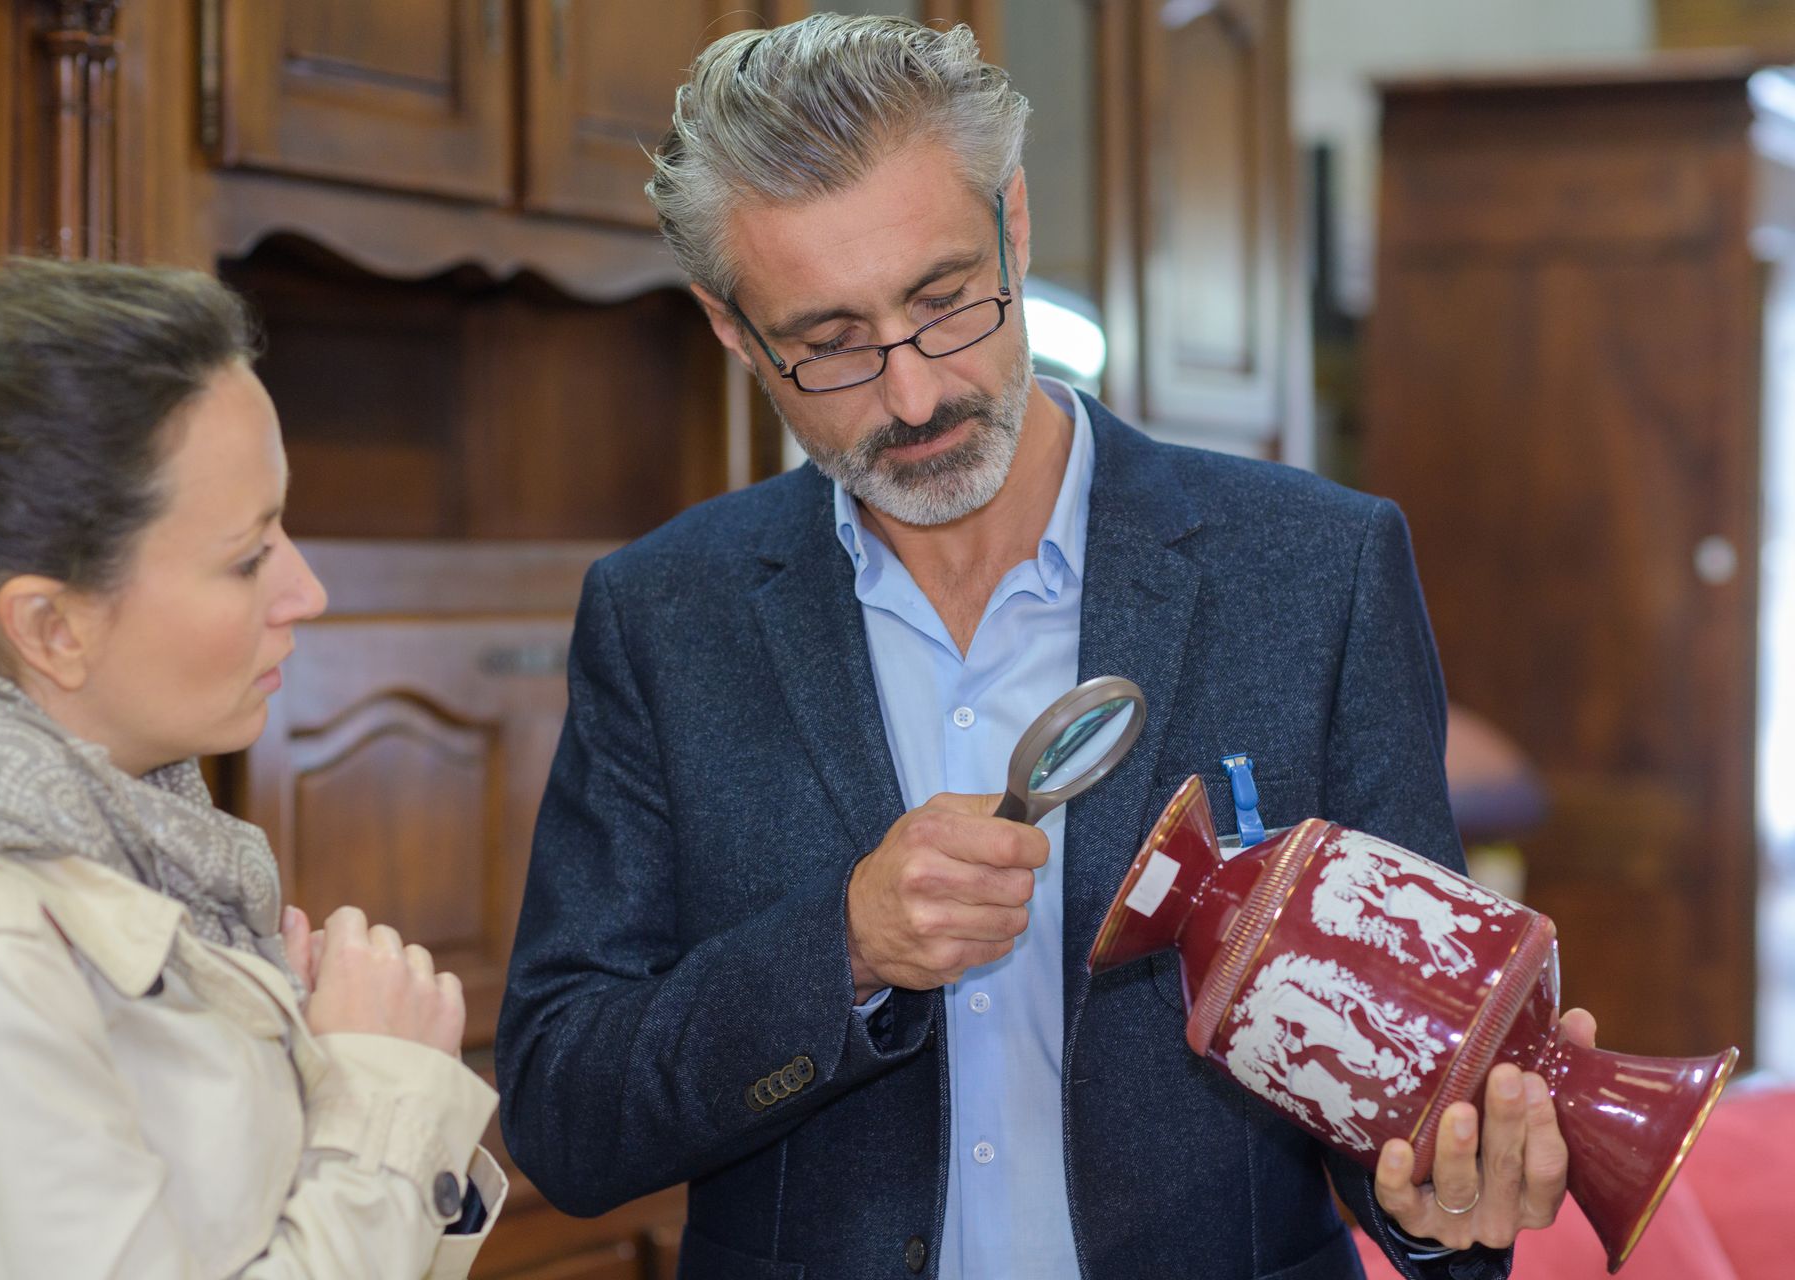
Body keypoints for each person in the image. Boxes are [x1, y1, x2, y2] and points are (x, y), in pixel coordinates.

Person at [495, 15, 1591, 1280]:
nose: (911, 397)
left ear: (1014, 226)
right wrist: (841, 948)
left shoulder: (1314, 567)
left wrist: (1442, 1200)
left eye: (944, 300)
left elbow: (1412, 1067)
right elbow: (565, 1113)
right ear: (733, 329)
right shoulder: (661, 615)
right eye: (831, 341)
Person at [0, 250, 506, 1278]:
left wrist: (324, 1076)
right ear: (52, 626)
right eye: (249, 554)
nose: (306, 590)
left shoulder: (135, 847)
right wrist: (382, 1094)